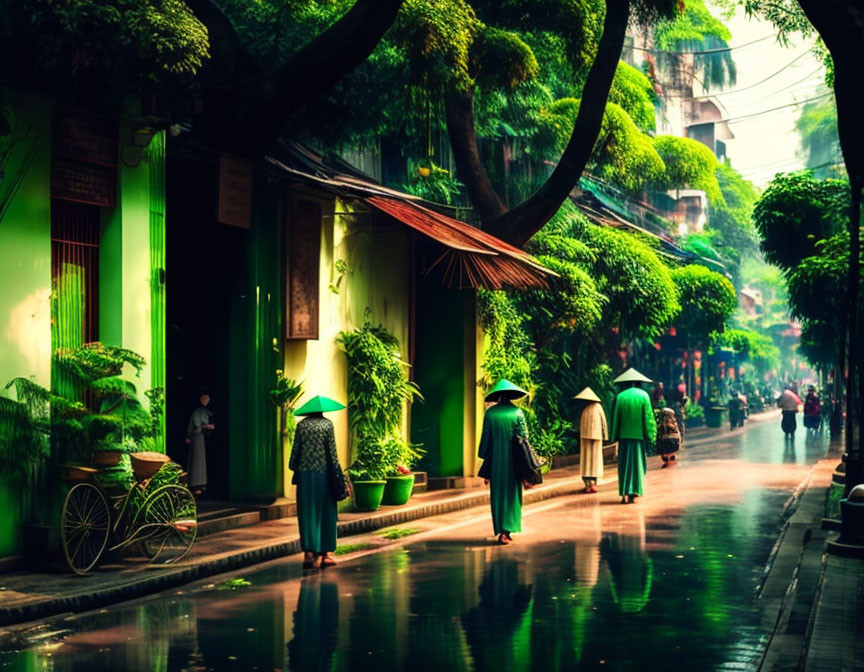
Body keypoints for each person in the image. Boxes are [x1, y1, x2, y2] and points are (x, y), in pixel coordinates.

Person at [289, 395, 349, 569]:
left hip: (305, 477)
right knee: (326, 513)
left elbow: (294, 456)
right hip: (324, 476)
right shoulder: (327, 425)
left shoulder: (301, 426)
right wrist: (339, 475)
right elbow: (332, 454)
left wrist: (296, 465)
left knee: (307, 513)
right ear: (322, 411)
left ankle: (308, 552)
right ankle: (325, 554)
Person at [477, 379, 531, 545]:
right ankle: (507, 531)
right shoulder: (518, 413)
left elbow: (486, 439)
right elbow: (524, 438)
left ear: (498, 396)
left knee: (498, 495)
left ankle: (500, 529)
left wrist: (483, 456)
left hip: (496, 463)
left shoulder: (491, 414)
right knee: (512, 495)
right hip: (514, 462)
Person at [611, 368, 657, 504]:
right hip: (638, 437)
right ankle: (634, 491)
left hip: (624, 438)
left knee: (624, 465)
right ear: (639, 382)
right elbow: (648, 418)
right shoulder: (643, 396)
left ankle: (624, 493)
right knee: (637, 465)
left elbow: (616, 419)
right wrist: (651, 436)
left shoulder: (620, 397)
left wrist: (614, 436)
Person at [575, 387, 608, 493]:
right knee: (595, 460)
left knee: (586, 460)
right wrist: (605, 436)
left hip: (585, 437)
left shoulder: (583, 409)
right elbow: (604, 423)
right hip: (597, 436)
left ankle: (588, 484)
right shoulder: (598, 407)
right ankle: (593, 483)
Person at [185, 387, 215, 496]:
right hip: (198, 437)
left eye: (206, 399)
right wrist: (205, 426)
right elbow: (195, 425)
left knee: (202, 462)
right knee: (197, 461)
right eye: (203, 399)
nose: (204, 401)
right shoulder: (197, 412)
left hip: (205, 438)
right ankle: (196, 484)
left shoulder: (208, 411)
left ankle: (202, 484)